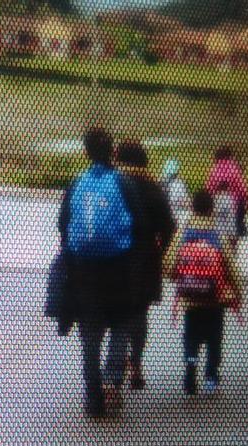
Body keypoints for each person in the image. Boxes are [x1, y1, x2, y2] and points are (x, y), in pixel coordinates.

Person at [58, 127, 139, 418]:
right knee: (119, 323)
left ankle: (93, 394)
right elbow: (139, 223)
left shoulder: (77, 183)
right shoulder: (123, 183)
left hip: (84, 271)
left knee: (90, 333)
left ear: (86, 153)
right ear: (113, 152)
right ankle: (112, 381)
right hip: (117, 268)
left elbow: (63, 223)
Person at [166, 190, 242, 396]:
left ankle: (190, 368)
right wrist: (237, 293)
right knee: (214, 338)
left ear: (193, 208)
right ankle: (211, 376)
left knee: (190, 337)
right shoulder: (217, 235)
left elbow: (169, 264)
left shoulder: (183, 233)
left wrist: (179, 277)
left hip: (190, 299)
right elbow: (232, 268)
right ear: (211, 210)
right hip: (215, 298)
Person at [113, 140, 175, 391]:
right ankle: (136, 364)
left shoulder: (113, 183)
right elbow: (169, 227)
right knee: (138, 314)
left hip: (114, 259)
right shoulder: (153, 187)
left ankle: (112, 372)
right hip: (145, 260)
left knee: (116, 315)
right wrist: (159, 253)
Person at [206, 146, 248, 239]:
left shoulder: (214, 170)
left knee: (218, 226)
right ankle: (232, 245)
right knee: (232, 229)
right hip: (234, 203)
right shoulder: (234, 169)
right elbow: (242, 188)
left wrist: (208, 202)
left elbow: (209, 188)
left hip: (217, 202)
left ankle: (220, 245)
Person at [161, 158, 190, 227]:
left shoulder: (161, 183)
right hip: (178, 217)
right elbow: (185, 202)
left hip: (164, 216)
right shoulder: (179, 183)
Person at [213, 181, 238, 249]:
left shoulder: (215, 199)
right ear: (227, 188)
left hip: (215, 235)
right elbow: (231, 219)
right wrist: (233, 235)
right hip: (226, 236)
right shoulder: (229, 200)